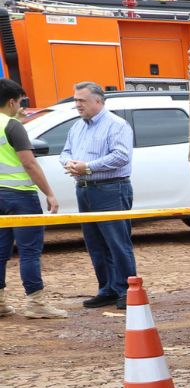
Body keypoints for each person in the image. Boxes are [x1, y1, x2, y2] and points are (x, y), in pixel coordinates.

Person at [60, 81, 137, 309]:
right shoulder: (77, 127)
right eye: (75, 100)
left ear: (98, 101)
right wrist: (70, 163)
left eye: (81, 100)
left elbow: (121, 156)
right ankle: (108, 289)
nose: (77, 105)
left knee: (117, 242)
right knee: (95, 243)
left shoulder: (116, 125)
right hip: (84, 189)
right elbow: (65, 152)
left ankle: (128, 291)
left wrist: (89, 167)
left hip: (111, 189)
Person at [0, 79, 68, 318]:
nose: (21, 108)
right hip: (20, 197)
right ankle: (36, 303)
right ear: (11, 101)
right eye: (19, 103)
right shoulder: (12, 125)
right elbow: (29, 163)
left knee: (0, 251)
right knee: (30, 251)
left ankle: (0, 302)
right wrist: (49, 193)